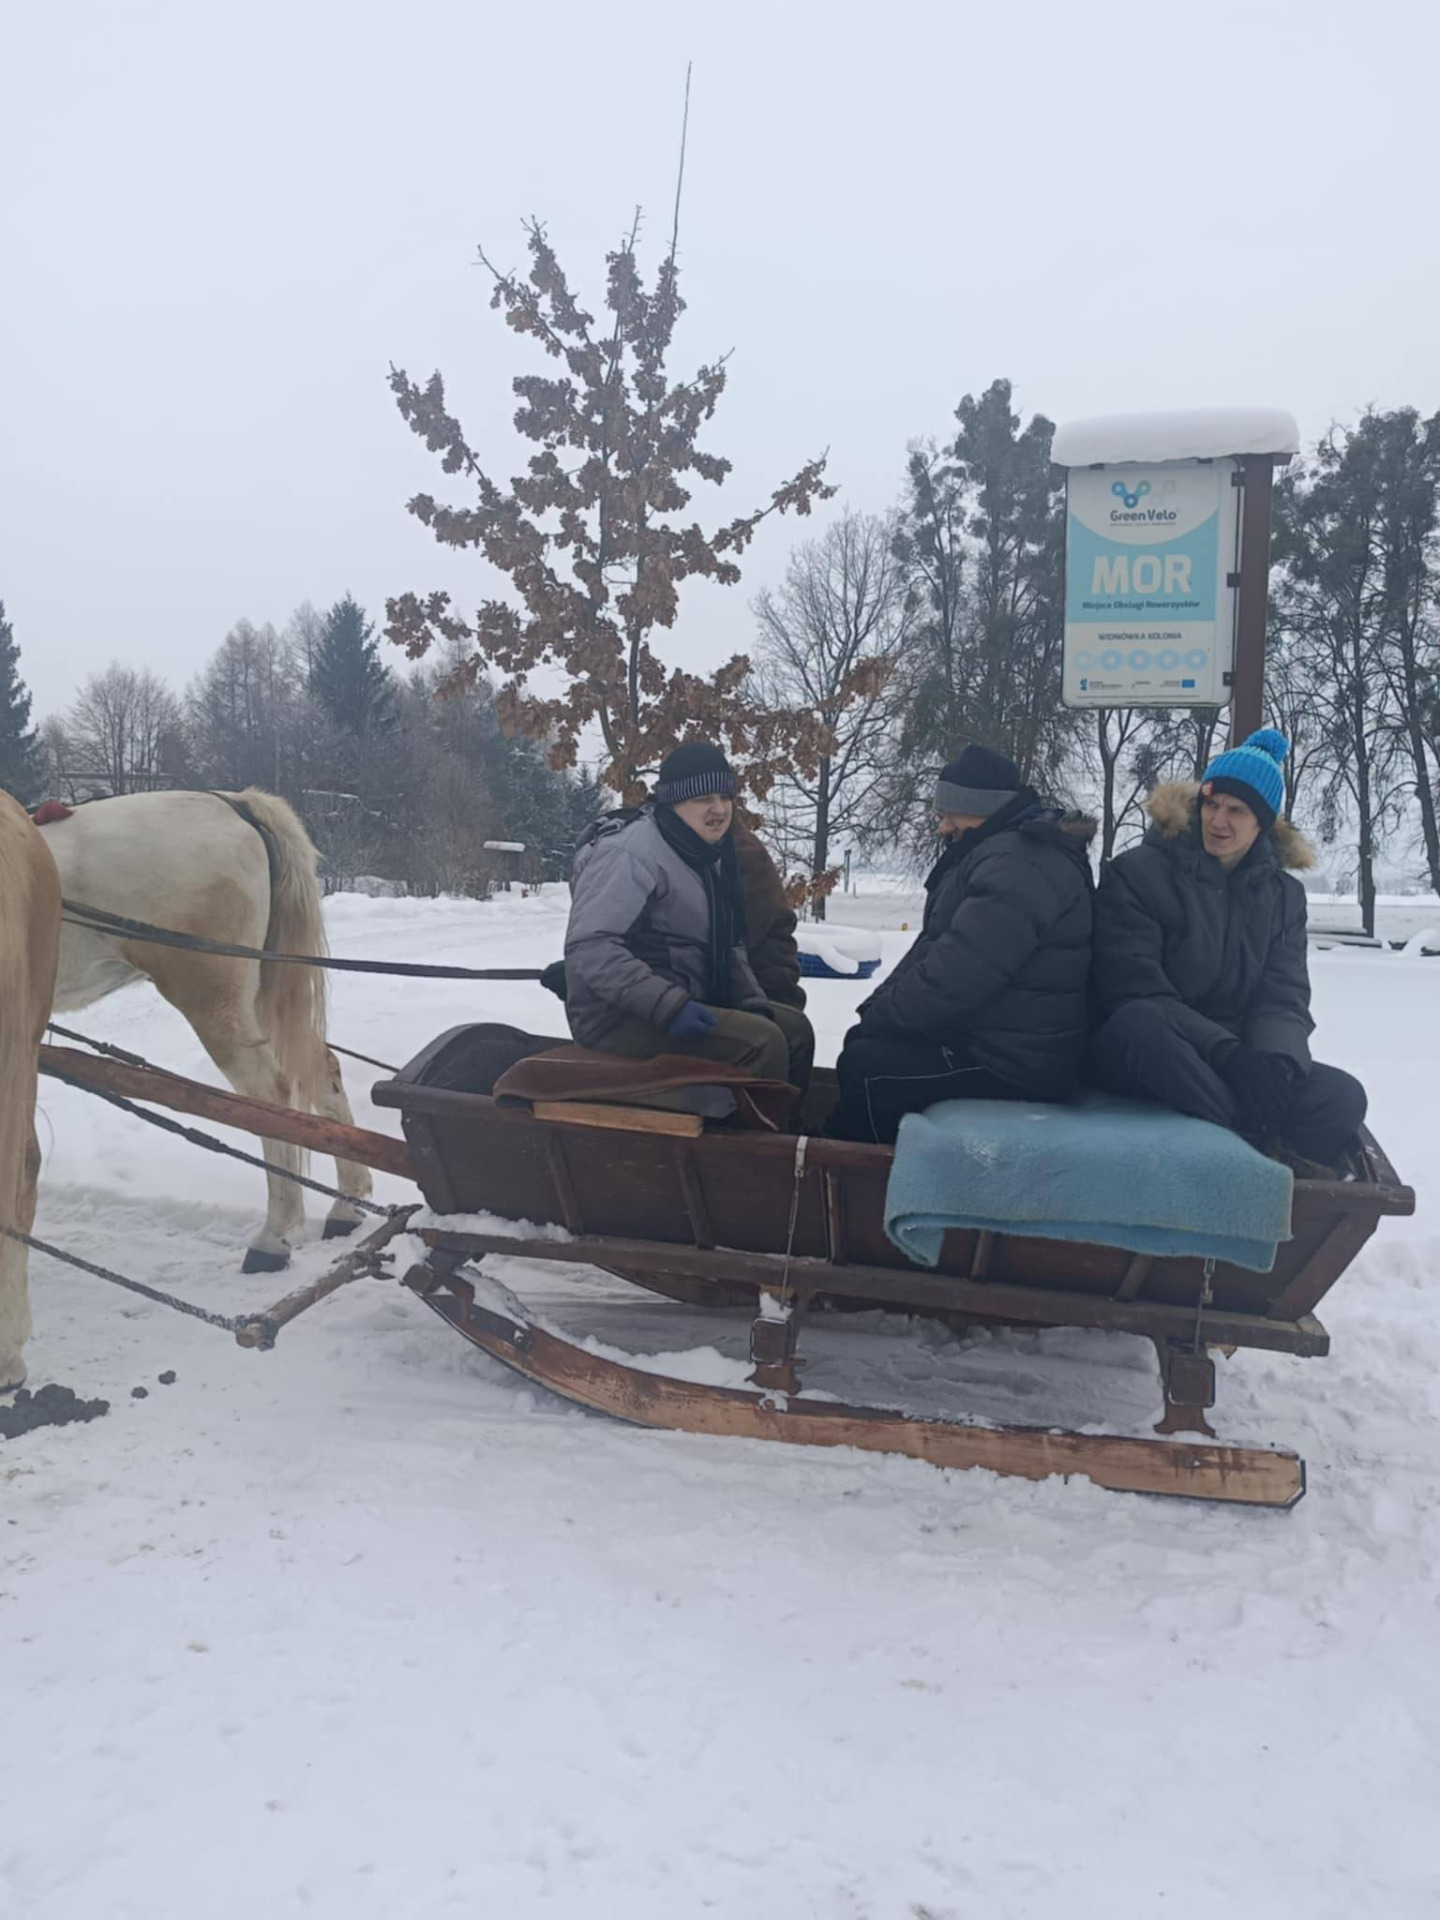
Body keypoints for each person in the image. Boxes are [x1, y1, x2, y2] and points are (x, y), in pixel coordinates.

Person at [1089, 727, 1366, 1169]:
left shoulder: (1283, 898)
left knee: (1342, 1097)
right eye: (1212, 804)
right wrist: (1226, 1054)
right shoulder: (1137, 874)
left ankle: (1245, 1124)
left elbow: (1284, 995)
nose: (1218, 821)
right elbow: (1134, 987)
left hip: (1235, 1054)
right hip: (1159, 1049)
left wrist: (1276, 1066)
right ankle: (1250, 1138)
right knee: (1139, 1024)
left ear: (1262, 824)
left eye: (1236, 811)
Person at [827, 744, 1096, 1145]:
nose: (942, 827)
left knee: (868, 1068)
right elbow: (935, 950)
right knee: (866, 1047)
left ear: (981, 808)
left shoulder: (1018, 865)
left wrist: (882, 1017)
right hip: (1002, 1042)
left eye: (949, 813)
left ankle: (862, 1185)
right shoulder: (1001, 853)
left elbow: (959, 974)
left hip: (1016, 1061)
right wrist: (877, 1014)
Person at [563, 742, 815, 1091]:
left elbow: (728, 944)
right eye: (703, 799)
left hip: (684, 999)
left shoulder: (704, 853)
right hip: (617, 1016)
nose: (719, 809)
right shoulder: (630, 853)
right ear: (673, 802)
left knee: (794, 1032)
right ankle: (753, 1144)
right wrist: (669, 1006)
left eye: (726, 798)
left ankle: (788, 1133)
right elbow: (591, 946)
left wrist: (752, 1003)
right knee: (763, 1043)